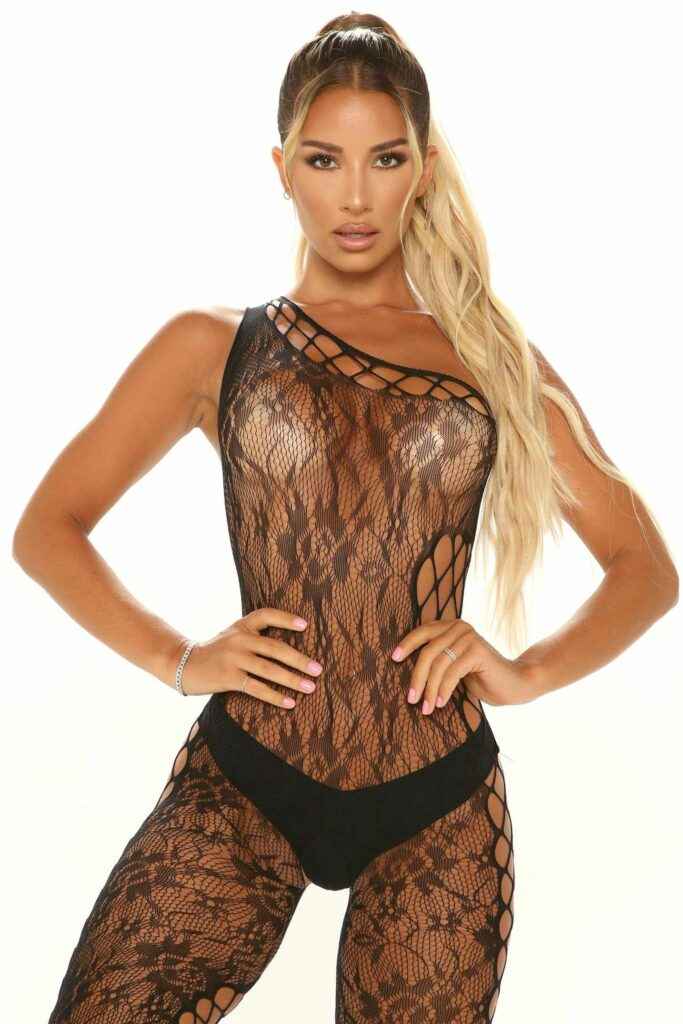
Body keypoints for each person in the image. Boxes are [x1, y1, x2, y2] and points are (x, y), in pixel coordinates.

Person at [13, 12, 678, 1024]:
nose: (355, 196)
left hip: (437, 802)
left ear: (423, 167)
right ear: (282, 169)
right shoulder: (211, 347)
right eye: (324, 160)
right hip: (245, 779)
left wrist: (526, 669)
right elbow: (48, 526)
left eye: (385, 158)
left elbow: (643, 566)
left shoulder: (491, 361)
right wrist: (179, 657)